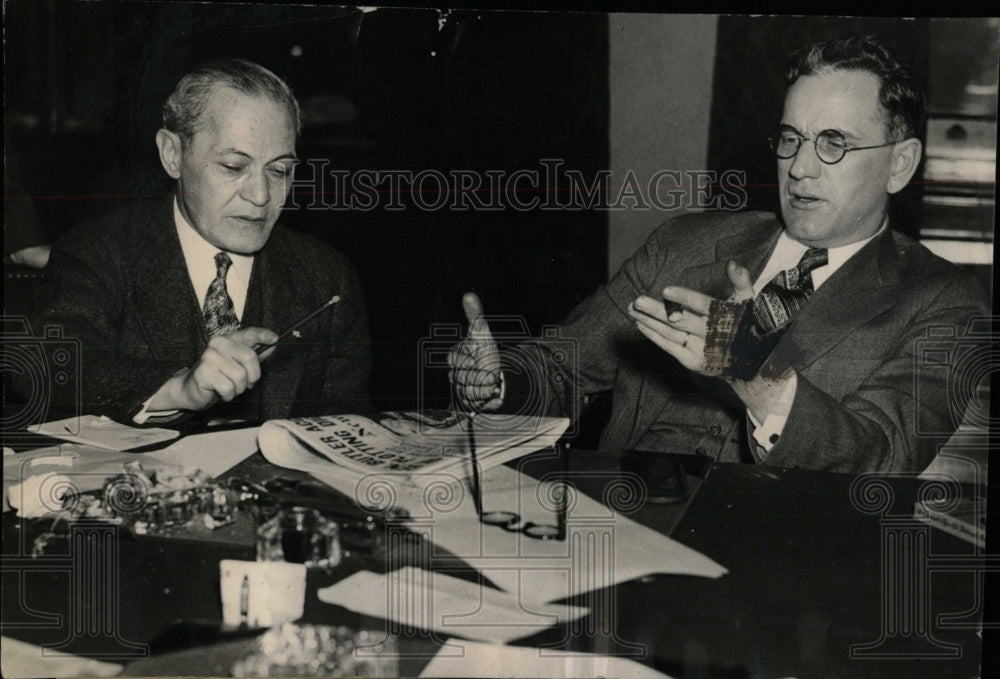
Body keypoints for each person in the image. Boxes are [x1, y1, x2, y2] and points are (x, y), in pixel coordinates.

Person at [449, 35, 989, 474]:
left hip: (773, 563)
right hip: (616, 518)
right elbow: (562, 368)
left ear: (900, 164)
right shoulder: (685, 243)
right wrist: (499, 382)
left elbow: (884, 459)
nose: (799, 167)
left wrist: (763, 380)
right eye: (790, 138)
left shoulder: (944, 302)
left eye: (833, 143)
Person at [23, 59, 371, 425]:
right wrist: (178, 388)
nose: (261, 195)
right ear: (172, 154)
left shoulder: (327, 278)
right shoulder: (99, 252)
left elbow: (345, 432)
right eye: (234, 167)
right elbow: (45, 365)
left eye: (280, 170)